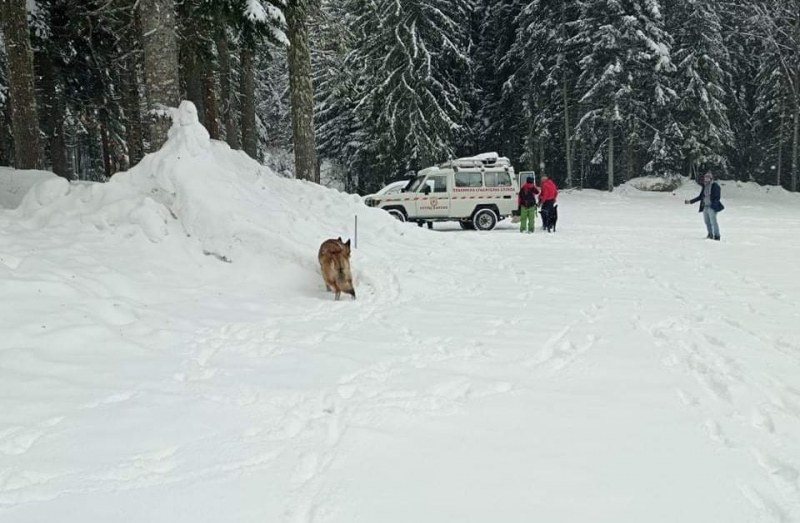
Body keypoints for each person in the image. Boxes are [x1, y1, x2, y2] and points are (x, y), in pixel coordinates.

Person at [685, 172, 725, 240]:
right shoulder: (704, 186)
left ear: (711, 178)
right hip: (705, 207)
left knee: (713, 222)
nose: (706, 179)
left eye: (708, 178)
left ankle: (717, 236)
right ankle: (710, 234)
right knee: (707, 222)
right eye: (705, 177)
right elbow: (700, 197)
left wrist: (713, 206)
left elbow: (717, 197)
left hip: (712, 207)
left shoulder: (715, 186)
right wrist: (690, 201)